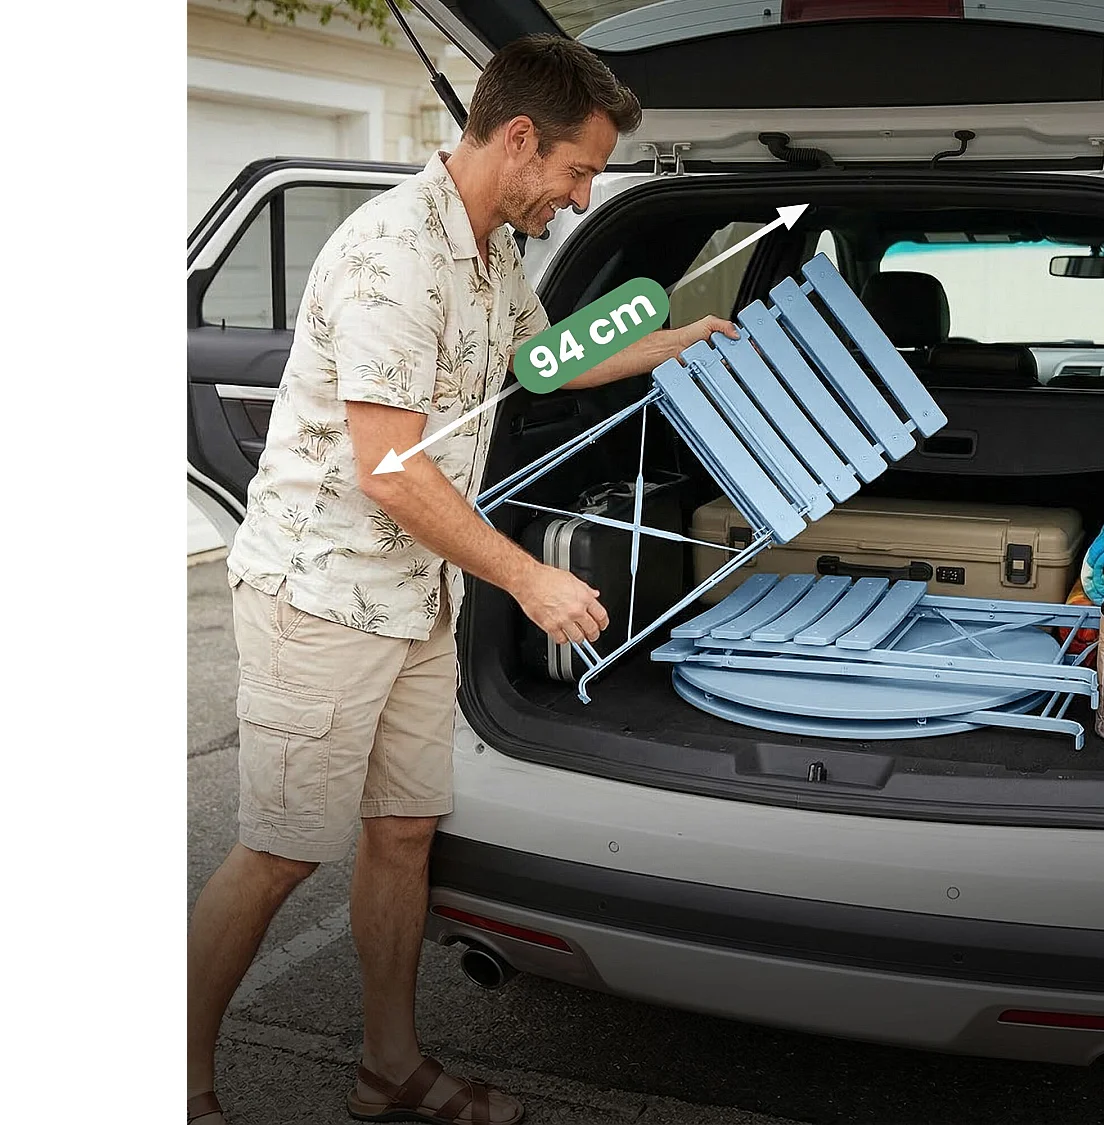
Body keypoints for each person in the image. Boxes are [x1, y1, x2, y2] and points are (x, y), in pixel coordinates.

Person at [187, 34, 736, 1125]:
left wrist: (680, 338)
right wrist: (530, 579)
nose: (581, 197)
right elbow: (392, 471)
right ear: (521, 139)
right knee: (281, 852)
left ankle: (387, 1072)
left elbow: (551, 359)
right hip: (323, 595)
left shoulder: (492, 252)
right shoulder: (395, 254)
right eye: (579, 171)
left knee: (402, 835)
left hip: (416, 593)